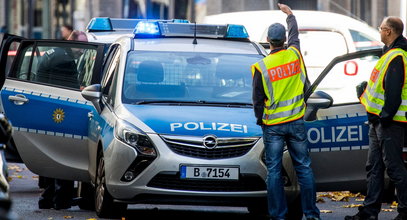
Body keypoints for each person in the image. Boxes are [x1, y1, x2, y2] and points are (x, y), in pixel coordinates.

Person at [251, 3, 320, 220]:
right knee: (304, 169)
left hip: (273, 127)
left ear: (269, 42)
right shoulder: (295, 55)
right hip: (297, 122)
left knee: (274, 171)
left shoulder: (262, 66)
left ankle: (278, 216)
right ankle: (311, 215)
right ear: (284, 41)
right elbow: (296, 35)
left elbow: (257, 100)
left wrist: (260, 120)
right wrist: (290, 15)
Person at [345, 16, 407, 220]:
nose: (379, 31)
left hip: (389, 123)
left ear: (389, 31)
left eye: (381, 28)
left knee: (395, 167)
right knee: (374, 167)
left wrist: (385, 118)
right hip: (378, 121)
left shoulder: (397, 56)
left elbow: (393, 94)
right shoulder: (389, 53)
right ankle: (369, 212)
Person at [38, 31, 88, 210]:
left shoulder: (55, 52)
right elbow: (68, 92)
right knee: (64, 154)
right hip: (59, 113)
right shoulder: (65, 61)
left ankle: (47, 198)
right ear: (72, 41)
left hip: (48, 110)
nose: (82, 52)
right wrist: (81, 89)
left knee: (53, 155)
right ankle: (61, 200)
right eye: (81, 47)